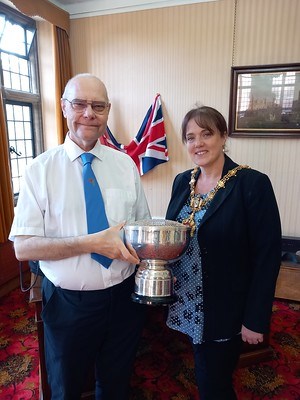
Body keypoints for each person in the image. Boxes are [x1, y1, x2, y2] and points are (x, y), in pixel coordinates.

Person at [9, 73, 151, 400]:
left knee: (116, 385)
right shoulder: (39, 171)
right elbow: (23, 247)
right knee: (67, 388)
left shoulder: (125, 165)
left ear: (108, 111)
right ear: (63, 108)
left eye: (98, 106)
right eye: (80, 104)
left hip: (123, 299)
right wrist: (89, 243)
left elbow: (140, 227)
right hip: (69, 305)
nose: (89, 113)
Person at [165, 106, 281, 400]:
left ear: (223, 136)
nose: (198, 143)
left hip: (224, 310)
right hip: (187, 302)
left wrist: (255, 318)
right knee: (205, 372)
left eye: (207, 134)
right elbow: (171, 237)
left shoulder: (252, 183)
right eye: (190, 137)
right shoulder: (182, 182)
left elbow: (267, 257)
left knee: (212, 383)